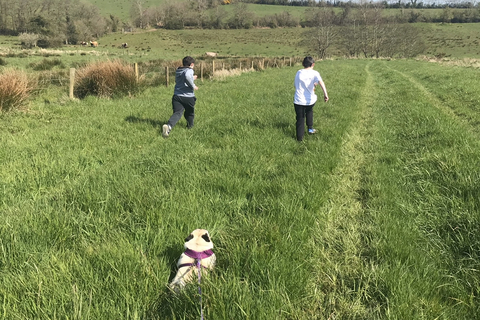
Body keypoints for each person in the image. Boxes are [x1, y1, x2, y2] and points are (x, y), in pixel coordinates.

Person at [293, 56, 329, 142]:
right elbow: (320, 82)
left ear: (303, 64)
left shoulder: (299, 72)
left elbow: (295, 85)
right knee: (309, 111)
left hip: (298, 100)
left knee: (300, 119)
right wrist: (325, 94)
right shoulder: (315, 73)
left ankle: (299, 139)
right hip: (310, 100)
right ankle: (310, 129)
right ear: (313, 64)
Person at [162, 56, 199, 138]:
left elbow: (183, 78)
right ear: (192, 64)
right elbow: (187, 76)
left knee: (177, 113)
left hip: (177, 96)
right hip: (188, 97)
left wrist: (192, 78)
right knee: (190, 113)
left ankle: (168, 127)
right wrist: (193, 86)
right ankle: (190, 127)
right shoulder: (189, 70)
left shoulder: (179, 70)